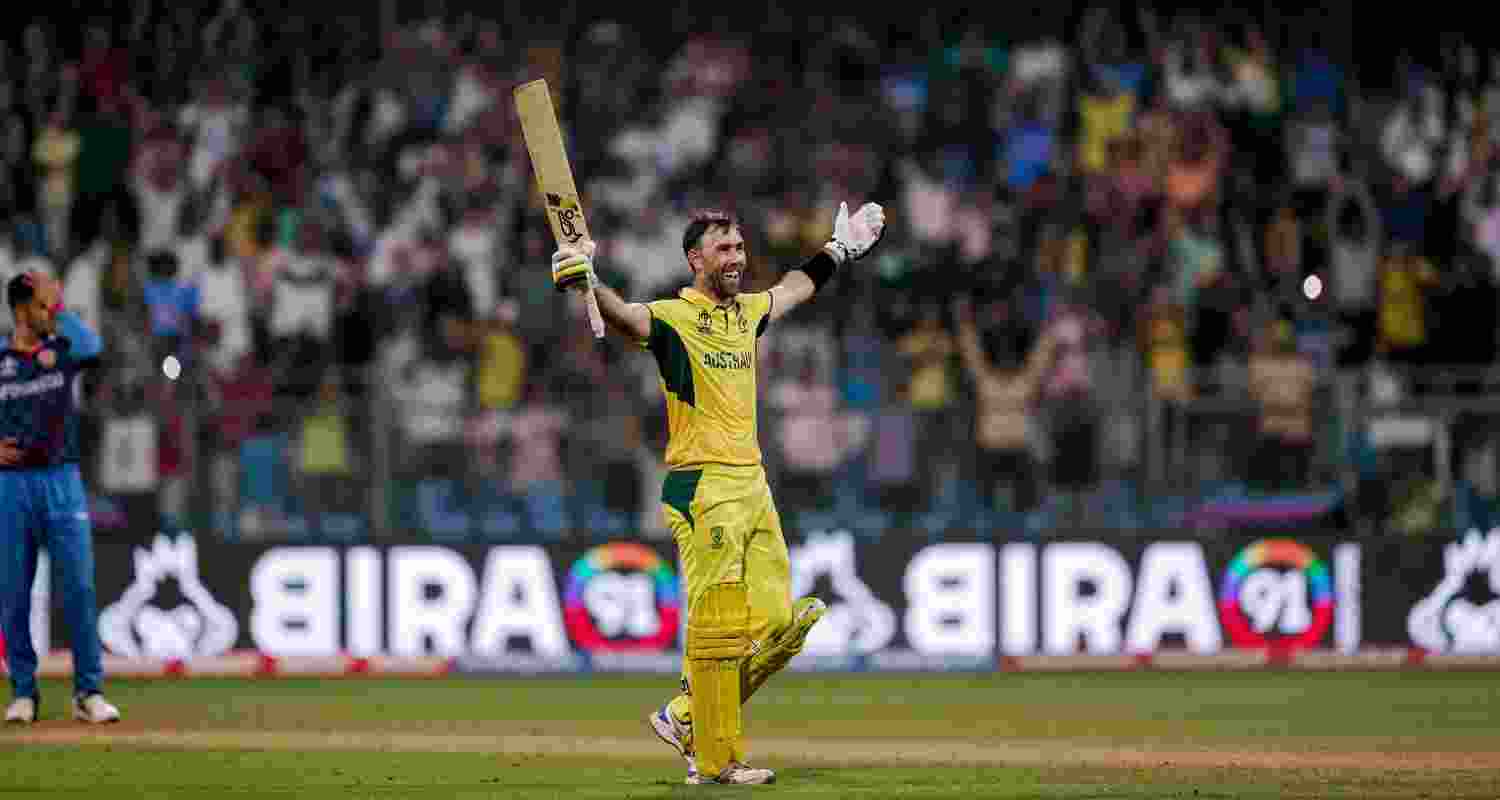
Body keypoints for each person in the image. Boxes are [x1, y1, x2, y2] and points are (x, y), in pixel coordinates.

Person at [551, 202, 886, 785]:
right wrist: (589, 279)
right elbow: (627, 318)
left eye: (738, 248)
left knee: (782, 626)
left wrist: (840, 250)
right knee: (716, 627)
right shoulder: (673, 316)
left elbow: (794, 288)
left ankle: (683, 715)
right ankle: (715, 760)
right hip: (701, 483)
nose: (736, 259)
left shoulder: (747, 314)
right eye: (723, 250)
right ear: (694, 259)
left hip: (752, 484)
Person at [0, 272, 120, 724]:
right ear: (21, 309)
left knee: (80, 590)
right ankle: (24, 694)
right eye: (43, 304)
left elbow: (94, 348)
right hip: (11, 485)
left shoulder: (64, 349)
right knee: (13, 594)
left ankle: (88, 692)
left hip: (61, 479)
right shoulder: (1, 358)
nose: (50, 310)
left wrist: (60, 310)